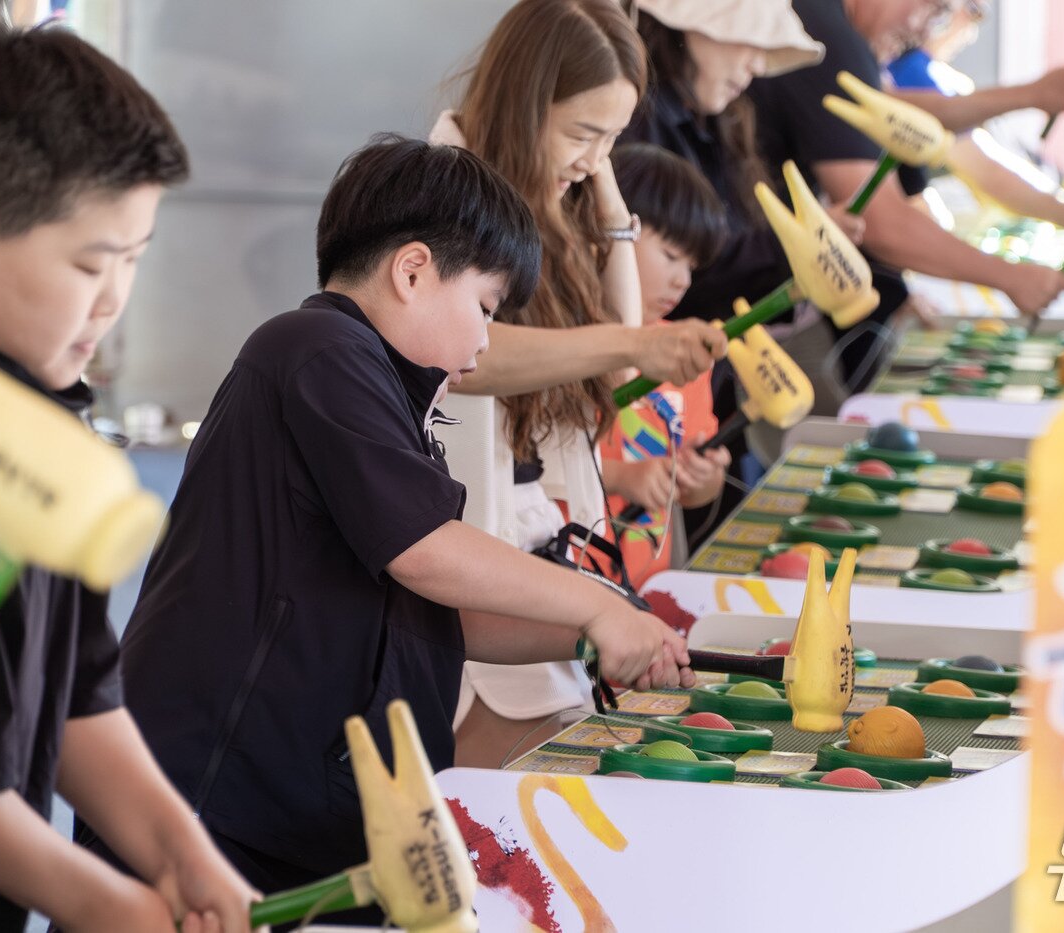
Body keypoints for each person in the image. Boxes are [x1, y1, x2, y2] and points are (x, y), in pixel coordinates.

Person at [104, 137, 695, 916]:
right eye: (485, 309)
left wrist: (601, 631)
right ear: (412, 271)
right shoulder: (318, 348)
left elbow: (447, 612)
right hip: (217, 805)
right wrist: (593, 602)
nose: (482, 347)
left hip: (312, 815)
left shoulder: (385, 391)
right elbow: (426, 552)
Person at [0, 26, 257, 932]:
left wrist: (180, 853)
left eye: (134, 257)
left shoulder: (51, 415)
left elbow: (79, 687)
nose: (114, 298)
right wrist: (100, 900)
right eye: (91, 263)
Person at [430, 0, 722, 769]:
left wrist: (613, 205)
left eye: (614, 141)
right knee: (525, 799)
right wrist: (629, 341)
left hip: (530, 544)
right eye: (584, 134)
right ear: (527, 104)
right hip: (469, 550)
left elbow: (616, 370)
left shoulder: (550, 202)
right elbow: (465, 358)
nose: (595, 159)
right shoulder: (442, 191)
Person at [621, 0, 834, 538]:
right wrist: (794, 249)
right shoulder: (634, 121)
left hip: (698, 393)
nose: (757, 66)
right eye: (750, 42)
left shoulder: (718, 120)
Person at [749, 0, 1064, 326]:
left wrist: (1032, 95)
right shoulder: (832, 39)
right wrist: (1012, 278)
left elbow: (908, 111)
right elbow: (880, 222)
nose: (923, 32)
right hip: (747, 298)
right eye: (934, 9)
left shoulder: (828, 24)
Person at [888, 0, 1064, 251]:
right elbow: (988, 171)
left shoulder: (928, 71)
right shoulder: (913, 71)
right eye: (973, 10)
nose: (971, 31)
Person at [602, 144, 732, 589]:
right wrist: (622, 477)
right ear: (612, 232)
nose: (683, 280)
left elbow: (695, 494)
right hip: (572, 583)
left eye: (691, 265)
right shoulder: (568, 348)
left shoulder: (685, 354)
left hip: (648, 584)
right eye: (672, 255)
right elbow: (528, 472)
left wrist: (704, 476)